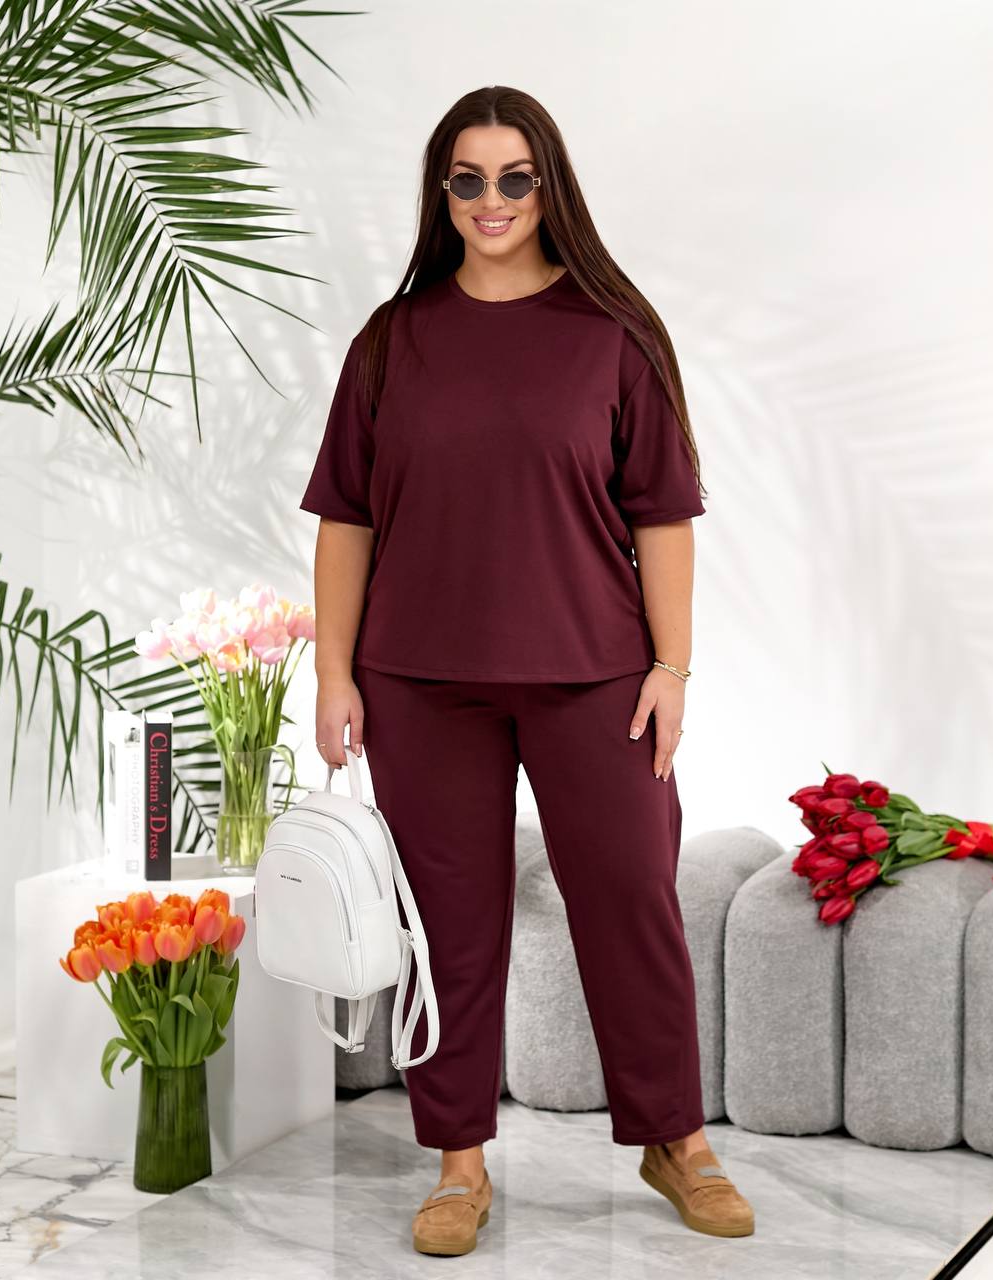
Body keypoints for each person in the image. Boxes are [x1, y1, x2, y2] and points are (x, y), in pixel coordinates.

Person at [301, 84, 755, 1255]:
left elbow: (663, 514)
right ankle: (458, 1161)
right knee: (447, 926)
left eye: (515, 177)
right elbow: (346, 519)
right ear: (441, 191)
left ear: (547, 187)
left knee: (631, 898)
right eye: (468, 178)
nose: (491, 199)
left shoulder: (613, 335)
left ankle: (674, 1139)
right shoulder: (391, 341)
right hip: (418, 681)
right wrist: (335, 672)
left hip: (595, 672)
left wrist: (671, 664)